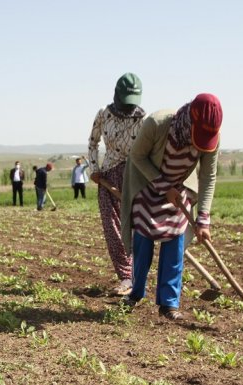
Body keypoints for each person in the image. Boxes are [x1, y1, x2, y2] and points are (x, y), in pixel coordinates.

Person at [121, 93, 222, 321]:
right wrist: (163, 186)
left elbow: (208, 176)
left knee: (175, 247)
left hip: (179, 191)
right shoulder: (157, 124)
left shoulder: (212, 138)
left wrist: (204, 217)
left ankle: (169, 304)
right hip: (147, 185)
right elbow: (137, 156)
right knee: (143, 246)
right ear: (191, 120)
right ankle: (135, 294)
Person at [88, 72, 146, 296]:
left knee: (139, 227)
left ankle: (139, 276)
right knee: (113, 229)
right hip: (108, 177)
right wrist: (94, 170)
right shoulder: (104, 115)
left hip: (135, 176)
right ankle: (125, 277)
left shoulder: (143, 118)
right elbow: (92, 143)